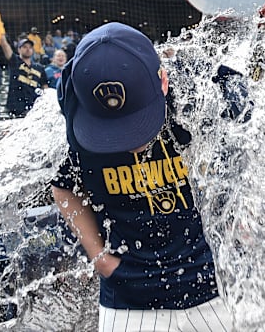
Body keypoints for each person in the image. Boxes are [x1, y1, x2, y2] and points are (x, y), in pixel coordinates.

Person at [50, 22, 233, 331]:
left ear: (163, 81)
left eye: (136, 122)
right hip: (128, 298)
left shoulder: (198, 95)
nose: (130, 142)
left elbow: (251, 146)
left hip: (211, 288)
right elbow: (64, 189)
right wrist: (101, 259)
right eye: (112, 129)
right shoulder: (73, 110)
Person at [0, 35, 48, 117]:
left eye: (30, 47)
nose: (28, 49)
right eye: (24, 47)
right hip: (16, 106)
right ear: (19, 49)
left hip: (33, 105)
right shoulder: (15, 61)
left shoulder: (39, 67)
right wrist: (0, 34)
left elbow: (45, 86)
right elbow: (5, 46)